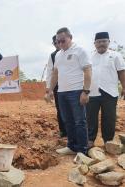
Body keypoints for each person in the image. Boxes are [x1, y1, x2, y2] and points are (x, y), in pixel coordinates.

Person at [47, 27, 91, 155]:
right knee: (68, 121)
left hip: (76, 92)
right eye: (58, 41)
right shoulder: (59, 54)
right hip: (61, 93)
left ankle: (82, 150)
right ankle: (72, 146)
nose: (60, 43)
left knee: (79, 121)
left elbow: (88, 71)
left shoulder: (80, 51)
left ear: (70, 37)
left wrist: (86, 91)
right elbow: (55, 74)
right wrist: (50, 90)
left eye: (63, 40)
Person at [87, 32, 125, 147]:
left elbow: (122, 72)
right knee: (90, 117)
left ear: (108, 42)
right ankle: (90, 139)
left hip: (109, 92)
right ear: (94, 44)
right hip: (92, 92)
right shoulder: (89, 57)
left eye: (104, 41)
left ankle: (108, 141)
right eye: (98, 42)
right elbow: (85, 73)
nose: (101, 44)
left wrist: (124, 87)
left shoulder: (116, 55)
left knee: (109, 117)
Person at [45, 35, 67, 138]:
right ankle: (63, 131)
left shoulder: (72, 52)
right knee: (60, 109)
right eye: (56, 42)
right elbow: (49, 71)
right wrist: (49, 88)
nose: (58, 44)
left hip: (72, 86)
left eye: (60, 41)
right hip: (58, 86)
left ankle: (75, 131)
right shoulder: (53, 55)